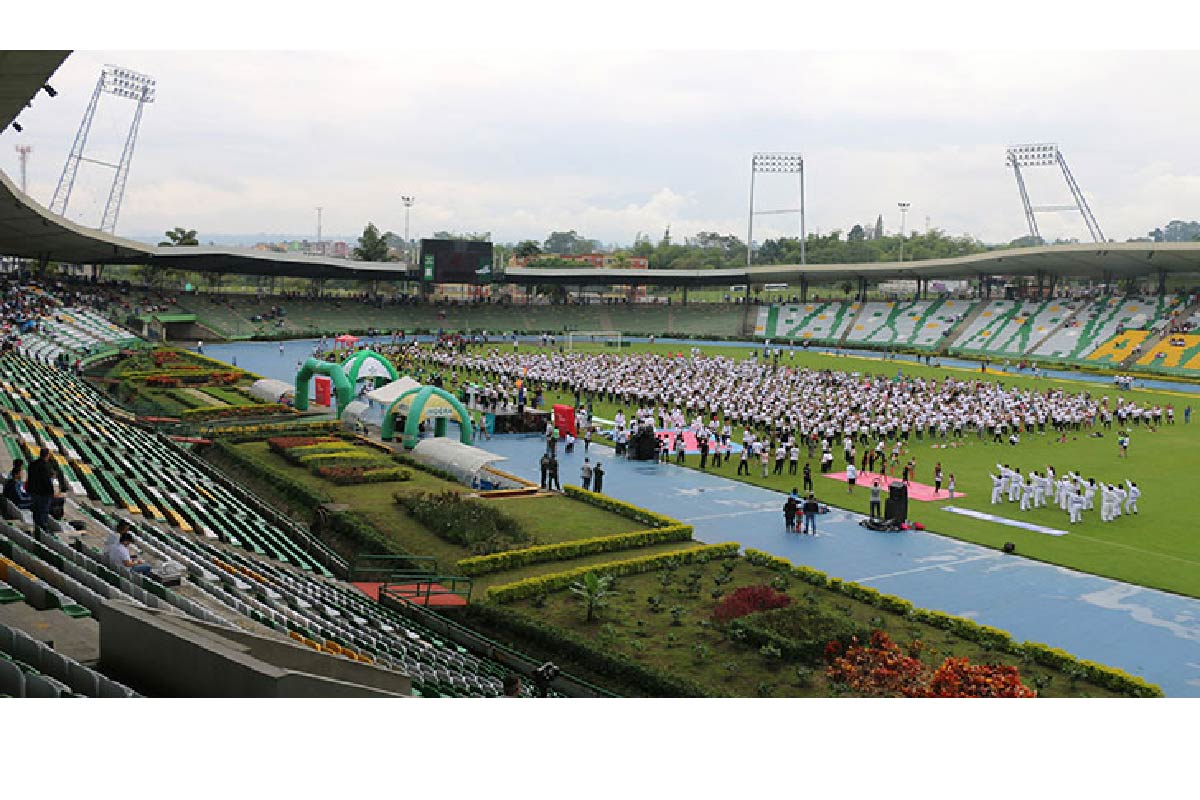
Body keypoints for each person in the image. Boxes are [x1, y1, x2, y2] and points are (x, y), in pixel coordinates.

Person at [26, 448, 58, 532]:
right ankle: (43, 529)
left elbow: (29, 477)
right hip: (44, 493)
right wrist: (52, 492)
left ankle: (37, 527)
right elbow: (47, 481)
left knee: (36, 511)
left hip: (33, 491)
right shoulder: (47, 466)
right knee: (43, 511)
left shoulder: (33, 464)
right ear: (47, 455)